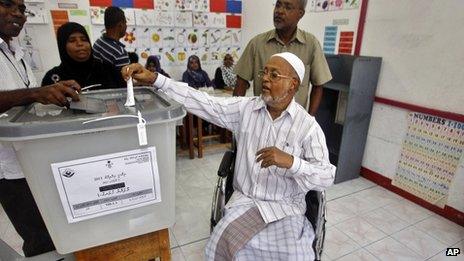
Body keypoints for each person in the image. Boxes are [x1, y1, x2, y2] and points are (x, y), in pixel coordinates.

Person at [122, 52, 336, 260]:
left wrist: (293, 163)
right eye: (265, 73)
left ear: (293, 85)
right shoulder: (246, 109)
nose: (265, 80)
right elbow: (202, 101)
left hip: (286, 209)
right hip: (246, 203)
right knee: (221, 246)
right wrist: (155, 79)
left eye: (274, 75)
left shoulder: (307, 127)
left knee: (296, 255)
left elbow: (327, 176)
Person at [0, 0, 81, 256]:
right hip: (7, 168)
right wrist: (37, 92)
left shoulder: (17, 52)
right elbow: (26, 95)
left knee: (51, 227)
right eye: (7, 4)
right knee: (38, 236)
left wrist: (51, 97)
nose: (17, 13)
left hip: (30, 159)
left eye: (22, 9)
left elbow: (26, 101)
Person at [233, 0, 332, 116]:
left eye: (287, 7)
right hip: (260, 122)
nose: (279, 11)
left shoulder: (311, 44)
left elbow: (318, 85)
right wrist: (235, 117)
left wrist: (310, 119)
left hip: (294, 124)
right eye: (278, 5)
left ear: (300, 14)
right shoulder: (257, 44)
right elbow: (241, 83)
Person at [41, 22, 122, 89]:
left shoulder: (107, 69)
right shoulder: (53, 78)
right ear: (62, 46)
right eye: (72, 40)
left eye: (84, 39)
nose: (80, 44)